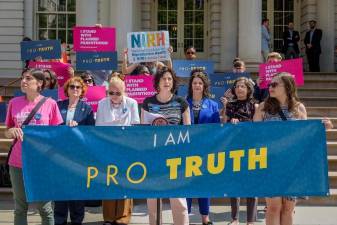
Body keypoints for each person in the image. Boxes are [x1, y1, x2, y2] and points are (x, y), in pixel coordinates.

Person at [5, 68, 63, 225]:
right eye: (23, 78)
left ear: (39, 83)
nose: (23, 81)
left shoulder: (50, 104)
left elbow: (57, 134)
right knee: (20, 208)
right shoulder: (13, 103)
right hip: (17, 163)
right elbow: (7, 132)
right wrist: (12, 131)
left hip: (42, 163)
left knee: (45, 209)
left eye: (28, 78)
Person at [253, 72, 307, 225]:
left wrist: (320, 127)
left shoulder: (299, 108)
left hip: (292, 164)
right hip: (270, 163)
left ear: (288, 87)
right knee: (273, 207)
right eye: (270, 84)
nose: (270, 87)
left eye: (275, 84)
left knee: (288, 208)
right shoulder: (263, 107)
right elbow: (253, 135)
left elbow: (305, 135)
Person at [141, 66, 190, 225]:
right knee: (153, 200)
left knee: (179, 200)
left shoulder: (181, 103)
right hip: (154, 156)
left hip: (176, 157)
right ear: (157, 82)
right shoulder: (147, 102)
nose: (167, 82)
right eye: (163, 79)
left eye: (169, 79)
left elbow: (188, 132)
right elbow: (143, 132)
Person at [96, 73, 140, 225]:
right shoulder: (102, 103)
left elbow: (135, 126)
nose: (114, 96)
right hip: (107, 148)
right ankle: (108, 217)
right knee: (108, 180)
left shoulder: (132, 103)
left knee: (125, 181)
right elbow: (99, 128)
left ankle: (123, 217)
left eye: (118, 93)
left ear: (124, 91)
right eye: (111, 92)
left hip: (126, 148)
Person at [54, 77, 95, 225]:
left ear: (82, 90)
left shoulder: (87, 109)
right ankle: (59, 220)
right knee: (60, 190)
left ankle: (77, 221)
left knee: (77, 191)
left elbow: (91, 133)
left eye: (78, 87)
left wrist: (78, 128)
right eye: (72, 87)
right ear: (67, 89)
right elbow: (52, 127)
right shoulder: (58, 105)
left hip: (78, 157)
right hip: (60, 155)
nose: (75, 89)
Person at [222, 77, 258, 225]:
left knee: (251, 185)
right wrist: (230, 122)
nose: (239, 89)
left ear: (248, 89)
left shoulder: (255, 106)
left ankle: (250, 220)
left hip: (251, 149)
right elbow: (223, 124)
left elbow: (257, 127)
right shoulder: (230, 105)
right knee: (234, 184)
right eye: (237, 86)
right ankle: (235, 218)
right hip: (234, 149)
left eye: (242, 86)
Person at [186, 69, 219, 225]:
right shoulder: (184, 103)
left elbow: (217, 128)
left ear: (204, 86)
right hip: (188, 150)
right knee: (186, 183)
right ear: (191, 85)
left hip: (206, 150)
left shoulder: (213, 104)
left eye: (200, 83)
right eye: (194, 83)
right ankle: (184, 215)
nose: (197, 85)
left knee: (204, 183)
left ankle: (205, 217)